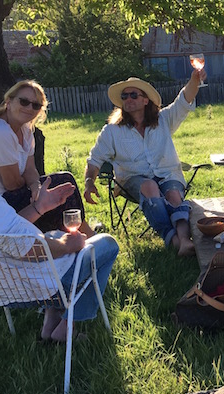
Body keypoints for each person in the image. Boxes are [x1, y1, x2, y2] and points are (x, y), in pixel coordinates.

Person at [0, 111, 119, 343]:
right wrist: (67, 245)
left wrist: (39, 208)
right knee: (107, 244)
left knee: (54, 235)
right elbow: (27, 249)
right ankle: (68, 327)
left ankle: (50, 324)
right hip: (36, 285)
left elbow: (1, 234)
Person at [83, 69, 204, 256]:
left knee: (173, 193)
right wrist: (89, 182)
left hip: (168, 174)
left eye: (133, 95)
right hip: (133, 180)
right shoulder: (112, 131)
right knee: (149, 186)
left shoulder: (163, 120)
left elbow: (184, 100)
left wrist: (195, 80)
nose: (128, 99)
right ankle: (172, 239)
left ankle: (184, 240)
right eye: (125, 96)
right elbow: (95, 159)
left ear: (146, 100)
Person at [0, 80, 95, 236]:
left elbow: (29, 169)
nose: (29, 108)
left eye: (36, 105)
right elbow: (12, 184)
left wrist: (36, 186)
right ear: (9, 101)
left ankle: (74, 235)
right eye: (24, 101)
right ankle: (81, 236)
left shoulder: (26, 131)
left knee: (60, 186)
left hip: (5, 198)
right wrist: (36, 190)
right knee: (61, 183)